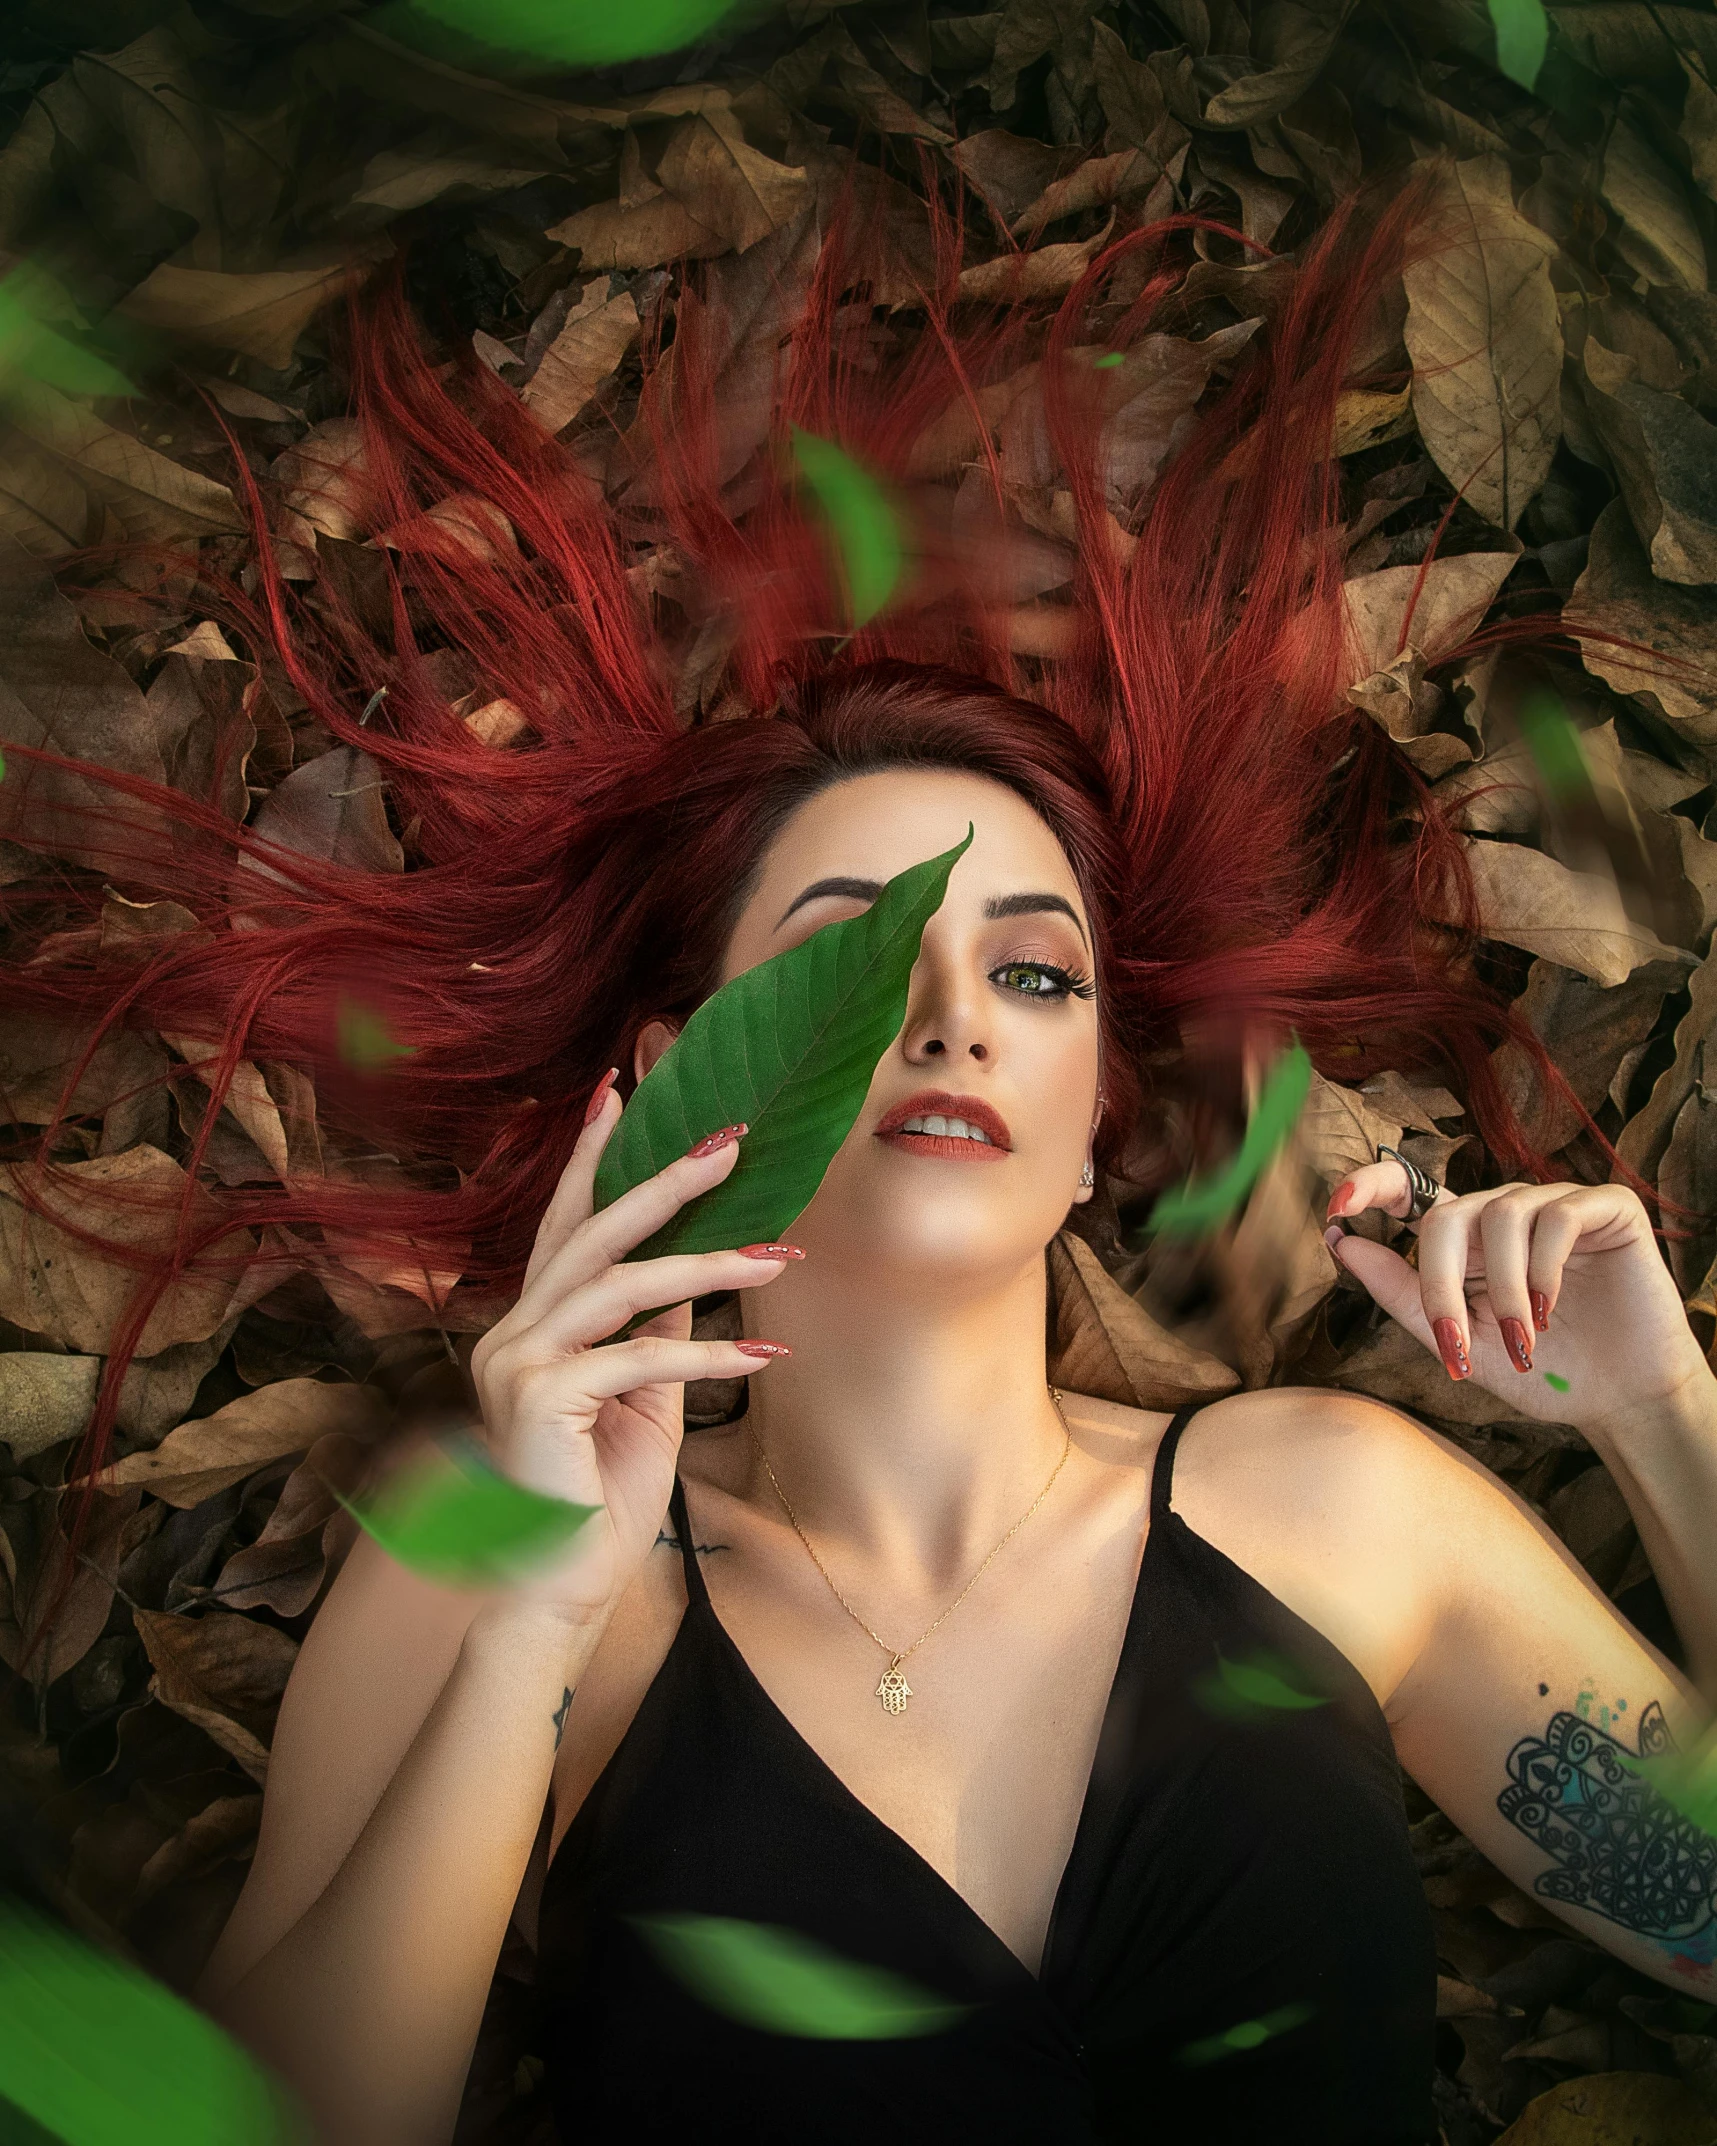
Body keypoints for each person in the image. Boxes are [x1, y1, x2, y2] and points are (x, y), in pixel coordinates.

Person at [9, 205, 1716, 2146]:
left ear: (1093, 1123)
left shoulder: (1325, 1509)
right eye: (847, 955)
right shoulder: (502, 1551)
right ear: (674, 1084)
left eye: (1034, 969)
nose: (950, 1010)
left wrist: (1666, 1419)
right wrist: (530, 1632)